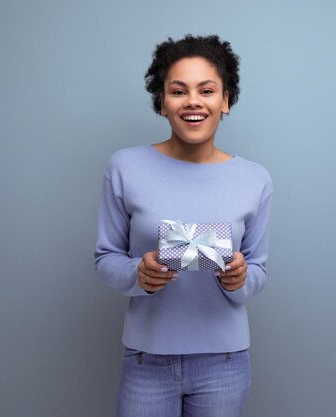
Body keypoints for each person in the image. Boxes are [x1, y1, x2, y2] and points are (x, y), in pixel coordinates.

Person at [94, 34, 273, 417]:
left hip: (224, 362)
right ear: (162, 102)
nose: (193, 101)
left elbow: (258, 268)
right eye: (178, 91)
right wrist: (138, 273)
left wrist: (241, 278)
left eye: (206, 90)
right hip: (147, 361)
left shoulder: (254, 178)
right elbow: (106, 257)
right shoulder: (124, 167)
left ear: (225, 101)